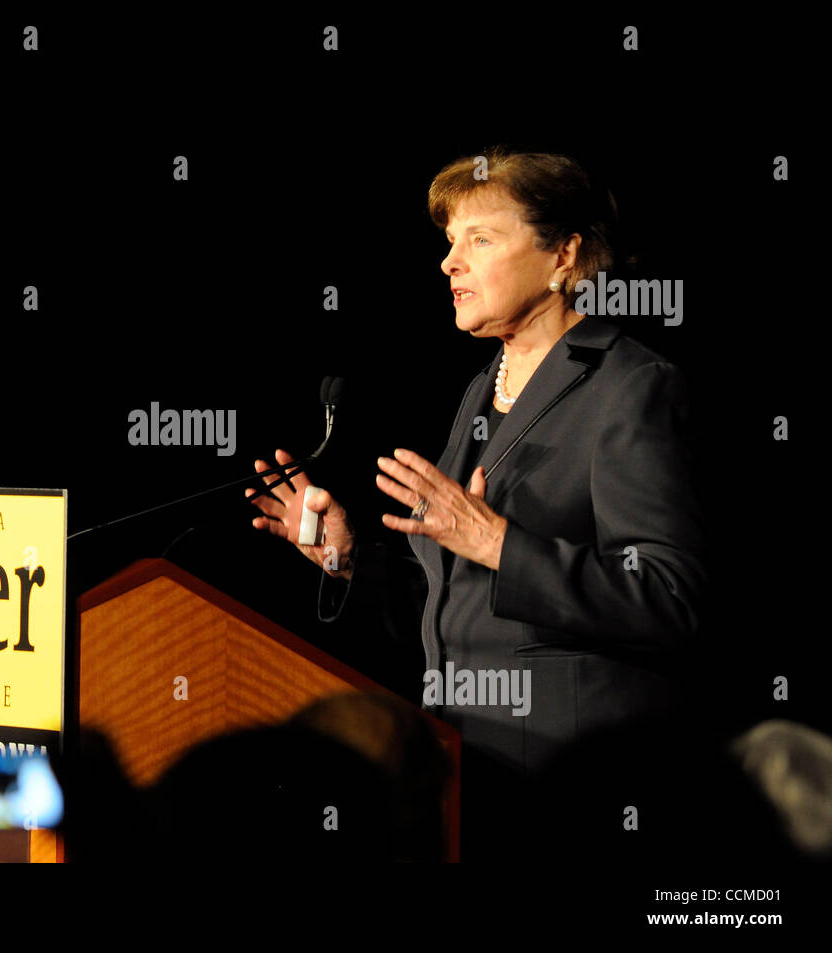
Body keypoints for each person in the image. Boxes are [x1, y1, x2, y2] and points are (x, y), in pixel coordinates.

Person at [245, 147, 706, 856]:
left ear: (565, 255)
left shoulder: (631, 385)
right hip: (465, 771)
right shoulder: (479, 391)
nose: (448, 262)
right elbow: (458, 595)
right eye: (449, 242)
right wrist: (344, 559)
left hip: (573, 787)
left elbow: (672, 600)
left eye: (479, 239)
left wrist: (500, 543)